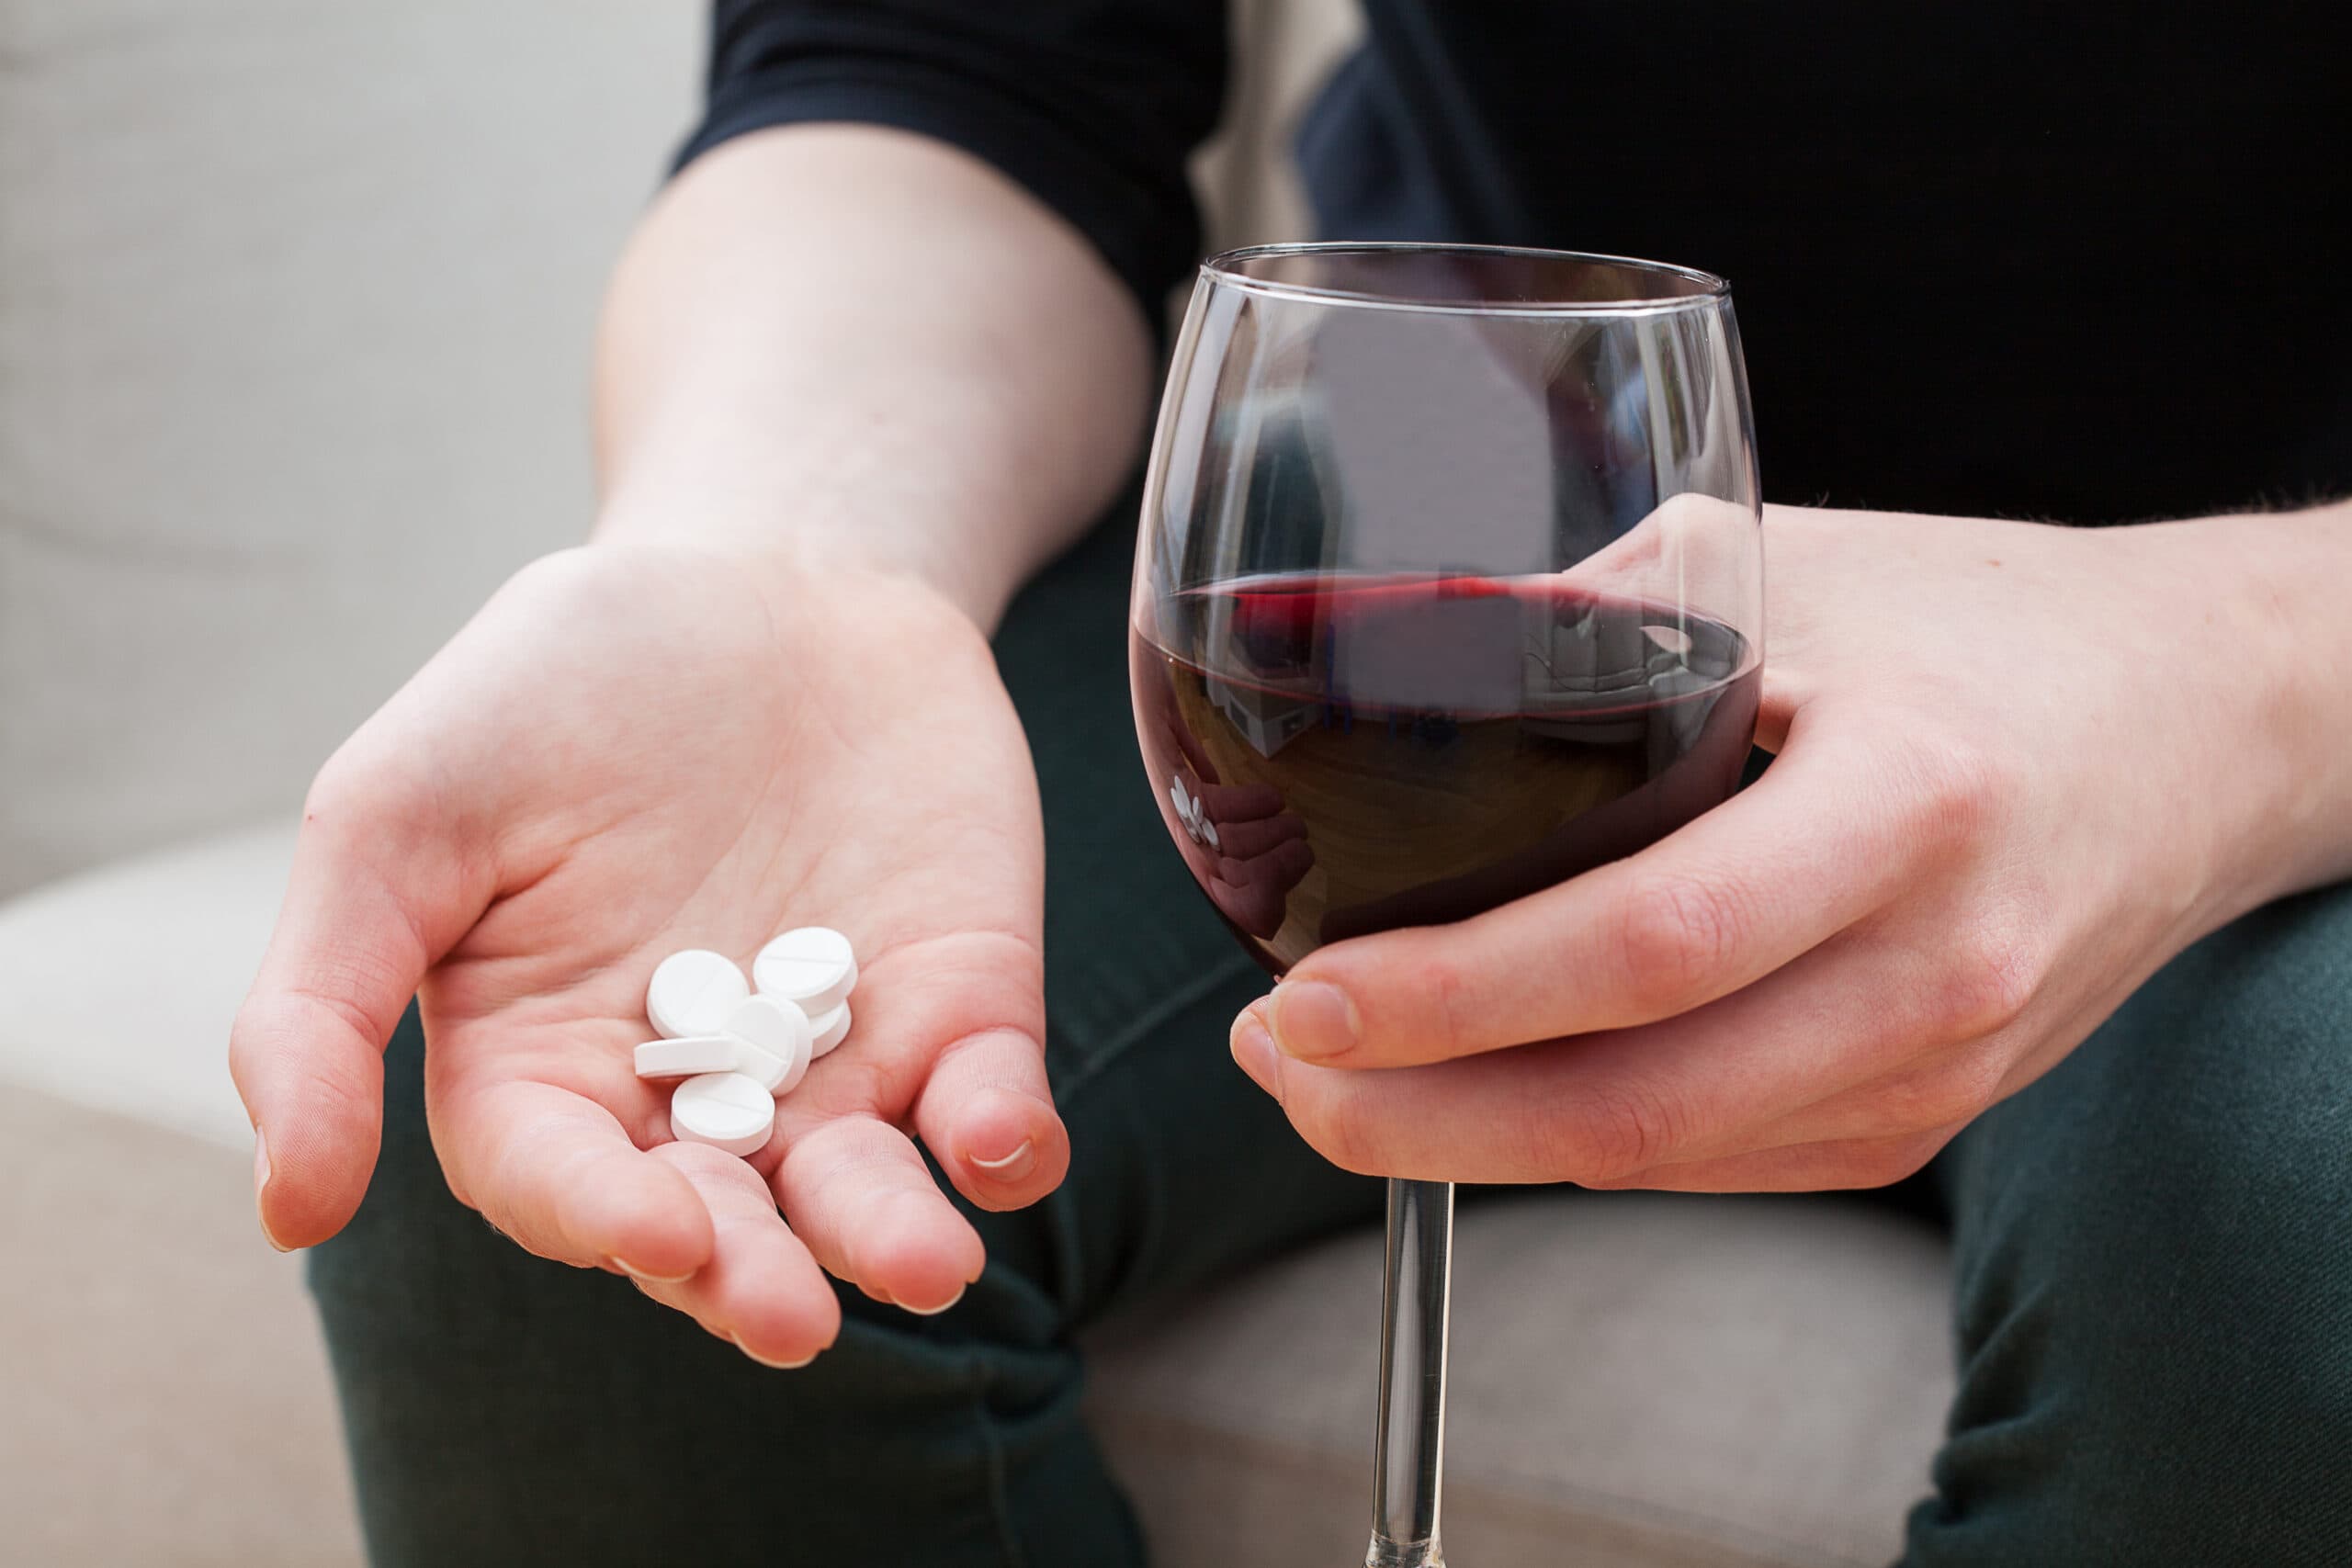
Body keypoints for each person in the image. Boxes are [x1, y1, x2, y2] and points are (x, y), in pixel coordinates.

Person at [227, 3, 2352, 1563]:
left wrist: (2244, 665)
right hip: (1463, 510)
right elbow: (949, 79)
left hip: (2302, 662)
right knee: (612, 1124)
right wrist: (776, 547)